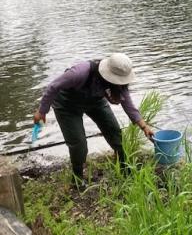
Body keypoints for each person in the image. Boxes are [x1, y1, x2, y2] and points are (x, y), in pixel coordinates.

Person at [33, 53, 154, 188]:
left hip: (95, 101)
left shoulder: (118, 84)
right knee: (78, 144)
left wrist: (144, 127)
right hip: (67, 105)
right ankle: (77, 179)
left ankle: (124, 167)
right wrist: (42, 111)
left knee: (115, 132)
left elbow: (128, 105)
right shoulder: (80, 73)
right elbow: (53, 87)